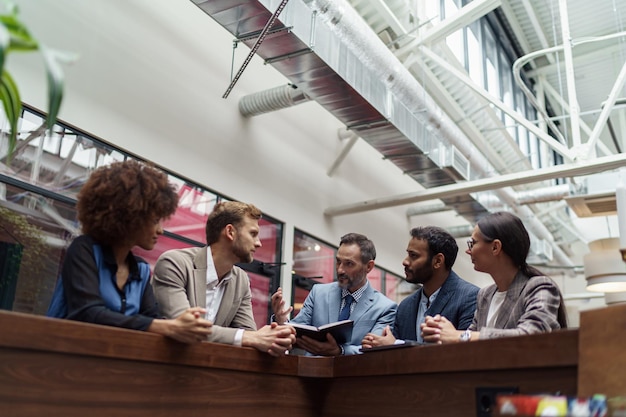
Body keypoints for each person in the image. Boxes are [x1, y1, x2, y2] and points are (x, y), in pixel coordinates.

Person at [48, 160, 213, 344]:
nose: (160, 230)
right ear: (130, 216)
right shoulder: (84, 250)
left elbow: (151, 317)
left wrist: (182, 323)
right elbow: (88, 312)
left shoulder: (140, 270)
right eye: (155, 220)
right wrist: (166, 326)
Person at [152, 201, 295, 356]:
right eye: (253, 234)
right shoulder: (174, 263)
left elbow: (250, 336)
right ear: (230, 232)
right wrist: (250, 337)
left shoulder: (241, 280)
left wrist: (275, 338)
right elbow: (186, 328)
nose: (259, 243)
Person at [421, 211, 567, 344]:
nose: (468, 250)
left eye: (473, 243)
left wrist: (460, 336)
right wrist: (441, 331)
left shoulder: (539, 287)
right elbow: (470, 343)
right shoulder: (485, 296)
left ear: (495, 247)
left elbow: (532, 335)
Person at [272, 232, 397, 356]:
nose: (340, 270)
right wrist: (282, 321)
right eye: (338, 262)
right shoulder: (318, 293)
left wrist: (340, 351)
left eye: (349, 264)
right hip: (312, 371)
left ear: (369, 267)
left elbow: (374, 351)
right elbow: (297, 331)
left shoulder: (385, 308)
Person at [361, 226, 479, 348]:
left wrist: (396, 344)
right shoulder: (405, 306)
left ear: (438, 261)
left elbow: (465, 352)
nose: (405, 261)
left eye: (414, 255)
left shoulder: (470, 297)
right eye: (408, 254)